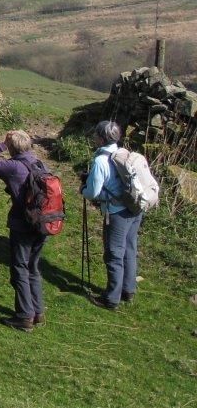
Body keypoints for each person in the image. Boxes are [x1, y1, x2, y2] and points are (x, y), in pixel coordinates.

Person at [0, 130, 48, 331]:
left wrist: (1, 144)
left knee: (19, 268)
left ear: (12, 147)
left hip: (22, 224)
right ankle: (38, 311)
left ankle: (24, 316)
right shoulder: (40, 164)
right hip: (43, 222)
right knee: (33, 267)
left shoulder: (14, 167)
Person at [81, 120, 140, 311]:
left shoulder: (100, 160)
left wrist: (83, 188)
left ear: (100, 138)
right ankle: (128, 290)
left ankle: (111, 299)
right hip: (135, 207)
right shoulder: (123, 153)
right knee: (129, 248)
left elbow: (93, 192)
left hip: (116, 212)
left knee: (114, 253)